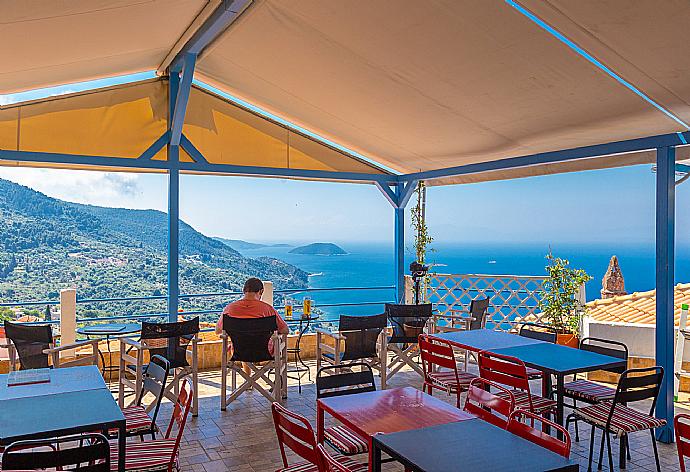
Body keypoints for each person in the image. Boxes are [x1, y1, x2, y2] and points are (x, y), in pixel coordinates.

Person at [215, 277, 289, 356]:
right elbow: (285, 330)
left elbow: (218, 331)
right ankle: (272, 367)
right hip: (264, 351)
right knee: (278, 340)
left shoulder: (229, 309)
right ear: (261, 291)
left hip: (239, 351)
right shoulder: (268, 309)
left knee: (242, 343)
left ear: (243, 291)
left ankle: (247, 368)